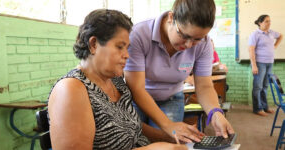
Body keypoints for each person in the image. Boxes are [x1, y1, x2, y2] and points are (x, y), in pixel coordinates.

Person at [48, 9, 188, 149]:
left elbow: (132, 125)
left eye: (127, 48)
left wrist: (169, 137)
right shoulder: (71, 89)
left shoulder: (116, 82)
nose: (127, 55)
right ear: (93, 44)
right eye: (120, 47)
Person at [124, 0, 234, 143]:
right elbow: (136, 88)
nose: (189, 45)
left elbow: (204, 86)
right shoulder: (139, 34)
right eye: (184, 36)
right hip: (137, 99)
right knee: (133, 140)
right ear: (171, 18)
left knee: (168, 143)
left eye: (197, 39)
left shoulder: (205, 44)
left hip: (171, 98)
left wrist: (215, 112)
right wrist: (168, 125)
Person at [248, 14, 283, 116]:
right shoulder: (255, 34)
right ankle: (257, 109)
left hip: (269, 63)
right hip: (259, 63)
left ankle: (264, 107)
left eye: (269, 21)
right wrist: (254, 65)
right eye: (266, 21)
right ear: (260, 23)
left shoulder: (271, 33)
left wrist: (275, 46)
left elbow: (281, 36)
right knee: (258, 87)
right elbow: (251, 49)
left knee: (265, 86)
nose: (269, 23)